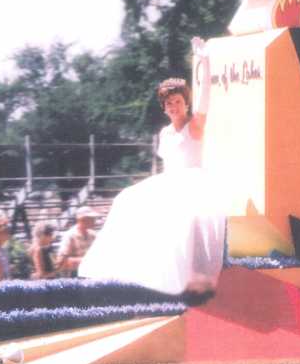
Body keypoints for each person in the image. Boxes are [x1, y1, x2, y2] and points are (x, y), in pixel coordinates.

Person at [79, 38, 226, 294]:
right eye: (169, 103)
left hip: (192, 183)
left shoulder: (194, 126)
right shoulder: (165, 133)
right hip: (170, 182)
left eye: (178, 101)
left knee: (185, 229)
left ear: (185, 103)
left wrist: (203, 61)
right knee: (127, 199)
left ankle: (190, 282)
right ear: (164, 107)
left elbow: (205, 100)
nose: (174, 106)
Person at [57, 206, 98, 275]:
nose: (94, 220)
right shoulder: (70, 235)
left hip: (92, 272)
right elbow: (62, 261)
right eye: (91, 218)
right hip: (75, 274)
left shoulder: (94, 235)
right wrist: (86, 261)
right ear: (81, 219)